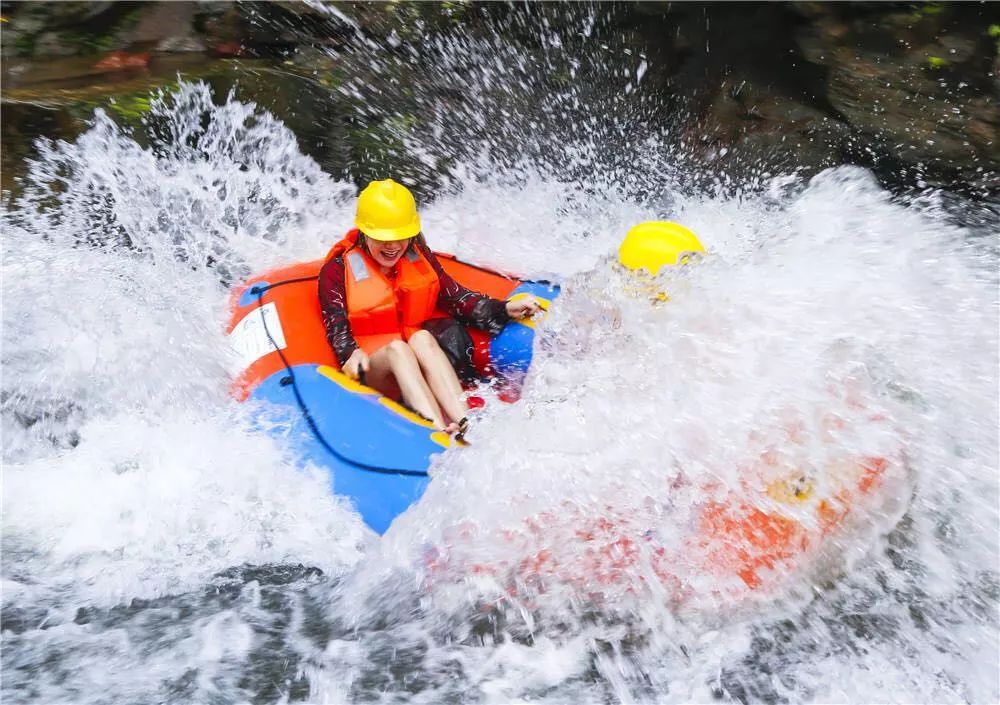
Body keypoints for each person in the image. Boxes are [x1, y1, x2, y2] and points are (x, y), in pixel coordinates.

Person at [319, 179, 541, 435]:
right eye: (383, 238)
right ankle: (435, 431)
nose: (393, 247)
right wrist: (349, 354)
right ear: (365, 232)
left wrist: (503, 309)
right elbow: (336, 327)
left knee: (423, 337)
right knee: (397, 349)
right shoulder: (336, 271)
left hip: (417, 368)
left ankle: (467, 422)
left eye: (401, 237)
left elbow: (456, 297)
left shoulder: (418, 256)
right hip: (375, 369)